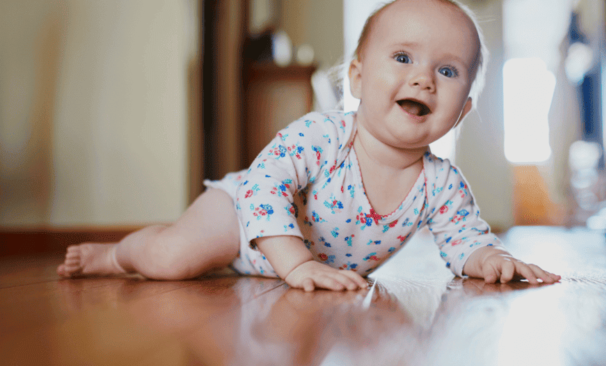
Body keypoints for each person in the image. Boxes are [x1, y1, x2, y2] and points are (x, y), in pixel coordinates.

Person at [58, 0, 561, 291]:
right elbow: (263, 188)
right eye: (403, 57)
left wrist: (490, 260)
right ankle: (120, 255)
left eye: (448, 71)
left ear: (463, 110)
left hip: (295, 266)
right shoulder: (323, 137)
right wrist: (297, 265)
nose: (424, 78)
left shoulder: (442, 182)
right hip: (238, 217)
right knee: (173, 260)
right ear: (358, 78)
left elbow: (463, 240)